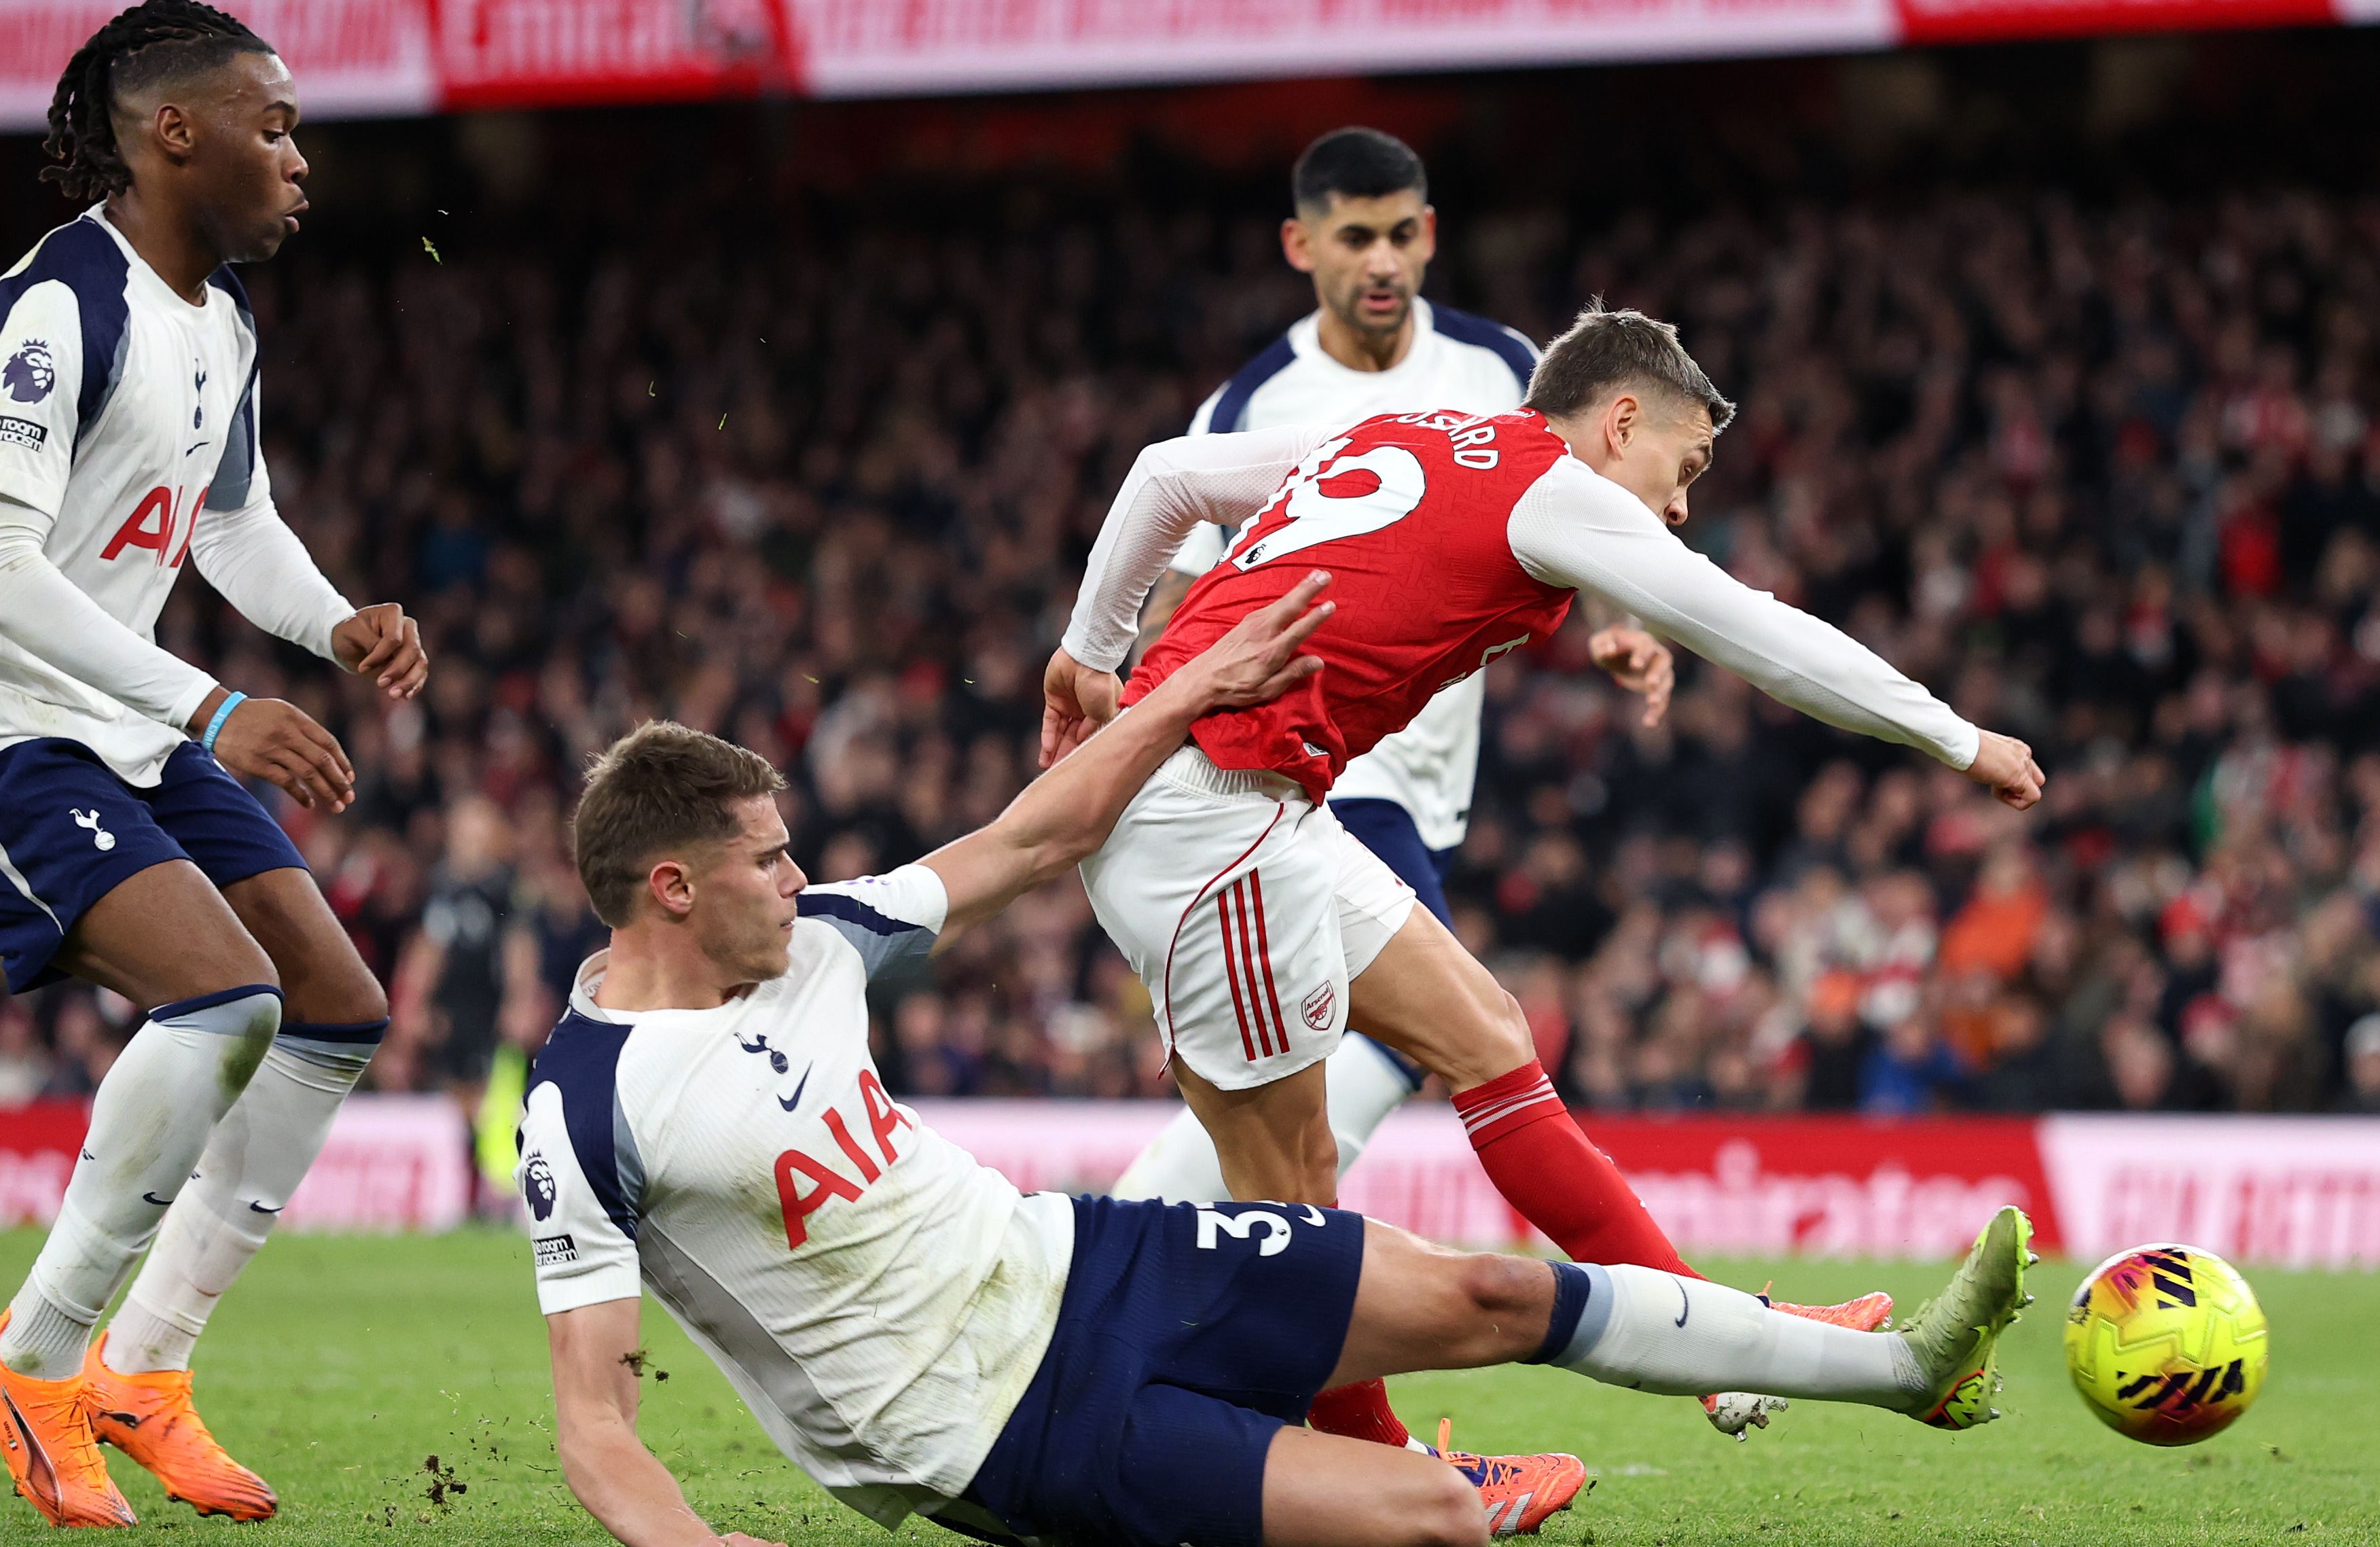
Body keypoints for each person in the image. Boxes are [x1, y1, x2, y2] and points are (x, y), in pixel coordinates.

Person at [521, 595, 2036, 1547]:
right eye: (767, 860)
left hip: (1082, 1255)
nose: (800, 877)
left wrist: (1185, 690)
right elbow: (597, 1425)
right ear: (669, 886)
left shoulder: (823, 942)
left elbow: (1032, 837)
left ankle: (1907, 1371)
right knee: (1435, 1518)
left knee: (1493, 1292)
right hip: (1006, 1431)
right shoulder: (583, 1108)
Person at [1039, 301, 2047, 1458]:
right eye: (1686, 463)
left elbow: (1166, 474)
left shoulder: (1414, 427)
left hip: (1248, 798)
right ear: (1622, 420)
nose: (1680, 505)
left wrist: (1089, 652)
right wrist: (1958, 739)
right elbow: (1759, 632)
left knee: (1486, 1034)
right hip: (1203, 817)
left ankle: (1717, 1346)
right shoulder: (1549, 484)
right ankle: (1380, 1477)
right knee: (1295, 1205)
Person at [1110, 126, 1856, 1456]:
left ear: (1430, 233)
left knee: (1363, 1093)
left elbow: (1565, 531)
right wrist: (1130, 707)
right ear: (1303, 248)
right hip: (1300, 776)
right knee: (1403, 1065)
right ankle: (1161, 1294)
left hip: (1396, 779)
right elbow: (1196, 578)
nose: (1382, 259)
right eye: (1354, 236)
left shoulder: (1506, 369)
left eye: (1402, 232)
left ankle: (1197, 1307)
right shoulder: (1249, 404)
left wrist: (1617, 619)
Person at [0, 1, 426, 1526]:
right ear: (173, 132)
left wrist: (334, 620)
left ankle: (145, 1370)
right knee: (226, 996)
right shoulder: (56, 305)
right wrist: (215, 708)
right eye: (269, 128)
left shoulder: (220, 318)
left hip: (119, 726)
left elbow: (226, 525)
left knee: (336, 1008)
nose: (299, 159)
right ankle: (35, 1351)